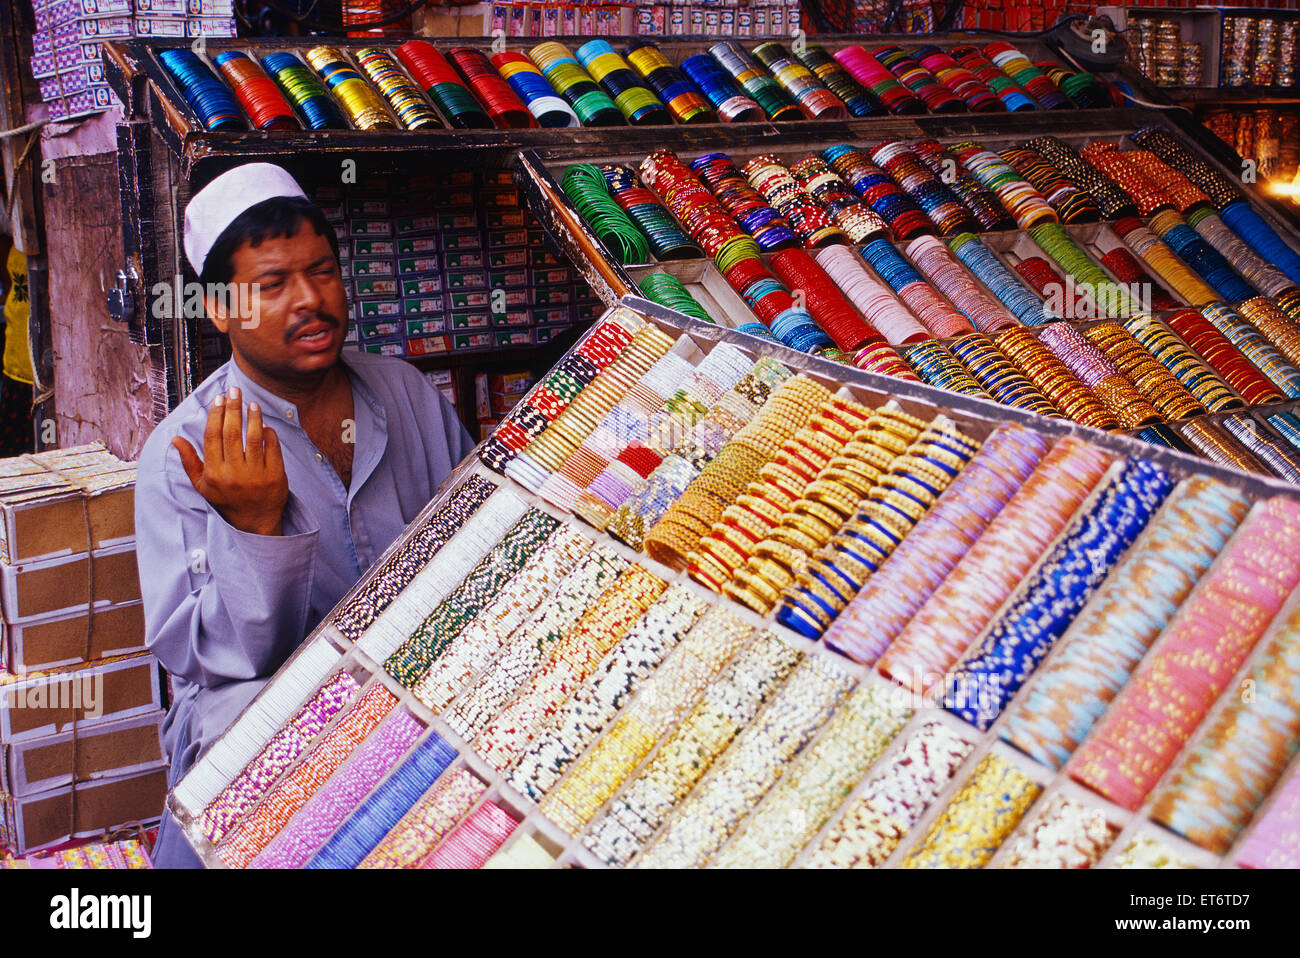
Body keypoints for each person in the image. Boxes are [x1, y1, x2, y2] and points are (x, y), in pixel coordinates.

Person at [135, 163, 474, 868]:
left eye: (322, 272)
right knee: (243, 724)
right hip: (274, 709)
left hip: (422, 674)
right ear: (221, 310)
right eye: (272, 285)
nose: (310, 301)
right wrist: (254, 532)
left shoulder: (402, 390)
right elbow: (218, 660)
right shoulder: (185, 453)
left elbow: (474, 538)